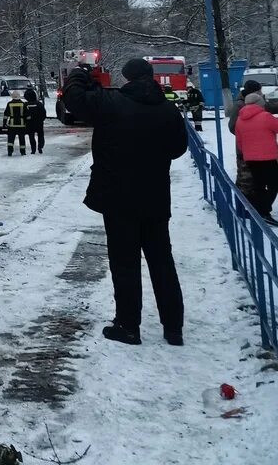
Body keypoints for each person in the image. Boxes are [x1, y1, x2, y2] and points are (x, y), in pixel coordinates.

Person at [62, 58, 187, 347]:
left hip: (117, 198)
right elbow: (178, 148)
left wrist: (80, 73)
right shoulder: (168, 108)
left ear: (126, 77)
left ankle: (128, 326)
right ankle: (174, 328)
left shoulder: (113, 102)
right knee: (162, 261)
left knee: (124, 263)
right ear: (151, 76)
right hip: (155, 197)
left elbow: (74, 100)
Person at [234, 91, 278, 227]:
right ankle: (263, 211)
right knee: (274, 184)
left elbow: (239, 140)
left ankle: (259, 211)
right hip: (267, 157)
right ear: (260, 104)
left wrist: (247, 152)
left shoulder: (240, 119)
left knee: (259, 185)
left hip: (250, 158)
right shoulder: (265, 116)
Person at [4, 90, 28, 156]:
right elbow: (27, 115)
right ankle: (23, 152)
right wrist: (27, 123)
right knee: (22, 139)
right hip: (21, 124)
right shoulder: (23, 104)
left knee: (11, 139)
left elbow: (6, 114)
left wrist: (4, 123)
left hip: (12, 124)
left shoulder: (9, 104)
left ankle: (10, 151)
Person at [23, 88, 46, 155]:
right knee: (40, 135)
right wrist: (41, 120)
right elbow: (43, 113)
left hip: (30, 124)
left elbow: (23, 114)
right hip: (39, 123)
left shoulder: (25, 105)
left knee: (31, 136)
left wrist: (26, 121)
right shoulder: (39, 104)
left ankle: (33, 149)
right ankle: (40, 147)